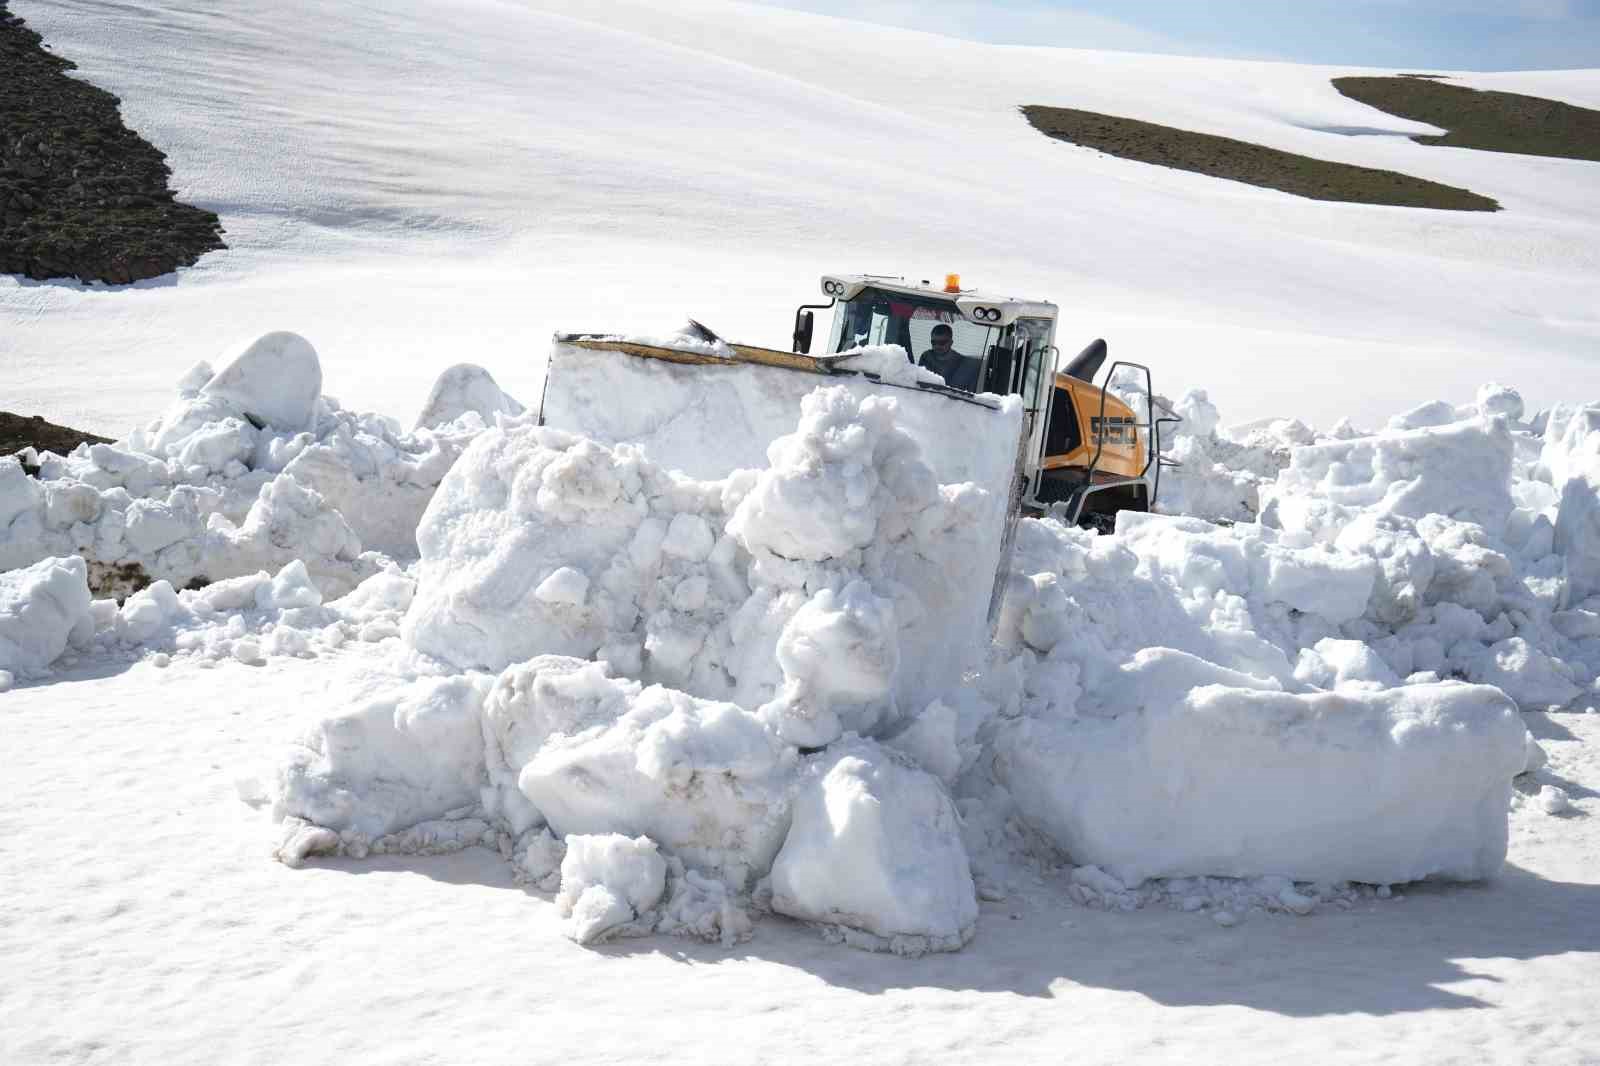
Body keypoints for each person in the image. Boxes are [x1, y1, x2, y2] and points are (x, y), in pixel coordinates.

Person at [918, 324, 981, 392]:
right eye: (933, 342)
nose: (937, 346)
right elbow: (919, 384)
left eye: (942, 343)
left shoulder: (964, 364)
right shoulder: (926, 357)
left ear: (951, 342)